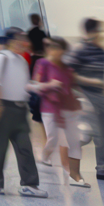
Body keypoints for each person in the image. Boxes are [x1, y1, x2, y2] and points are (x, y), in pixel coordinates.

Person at [0, 27, 45, 197]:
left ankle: (29, 184)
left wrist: (39, 87)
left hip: (20, 110)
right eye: (21, 39)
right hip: (3, 108)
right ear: (11, 40)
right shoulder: (1, 56)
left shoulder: (21, 60)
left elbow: (23, 85)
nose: (25, 43)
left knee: (25, 147)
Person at [64, 18, 104, 182]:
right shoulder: (79, 49)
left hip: (100, 97)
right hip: (85, 96)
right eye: (100, 30)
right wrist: (90, 82)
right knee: (86, 134)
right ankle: (65, 157)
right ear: (92, 31)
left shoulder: (101, 51)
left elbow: (103, 76)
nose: (102, 34)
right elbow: (68, 74)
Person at [32, 35, 86, 186]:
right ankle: (45, 156)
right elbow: (35, 85)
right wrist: (50, 85)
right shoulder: (43, 63)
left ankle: (73, 174)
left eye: (58, 48)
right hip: (49, 108)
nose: (54, 51)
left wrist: (80, 99)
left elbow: (73, 86)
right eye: (52, 47)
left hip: (67, 109)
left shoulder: (67, 68)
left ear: (63, 50)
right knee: (53, 138)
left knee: (72, 141)